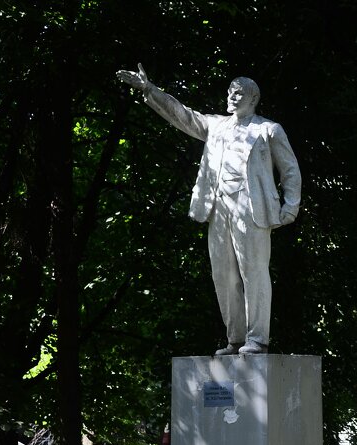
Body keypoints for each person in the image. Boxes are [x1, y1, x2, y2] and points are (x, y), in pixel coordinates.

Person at [116, 64, 301, 355]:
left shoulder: (268, 130)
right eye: (230, 91)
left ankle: (257, 339)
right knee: (223, 275)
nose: (231, 96)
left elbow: (290, 169)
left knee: (254, 272)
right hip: (218, 207)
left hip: (252, 209)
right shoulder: (215, 125)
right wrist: (148, 89)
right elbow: (183, 116)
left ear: (253, 98)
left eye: (238, 93)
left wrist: (291, 206)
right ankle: (236, 339)